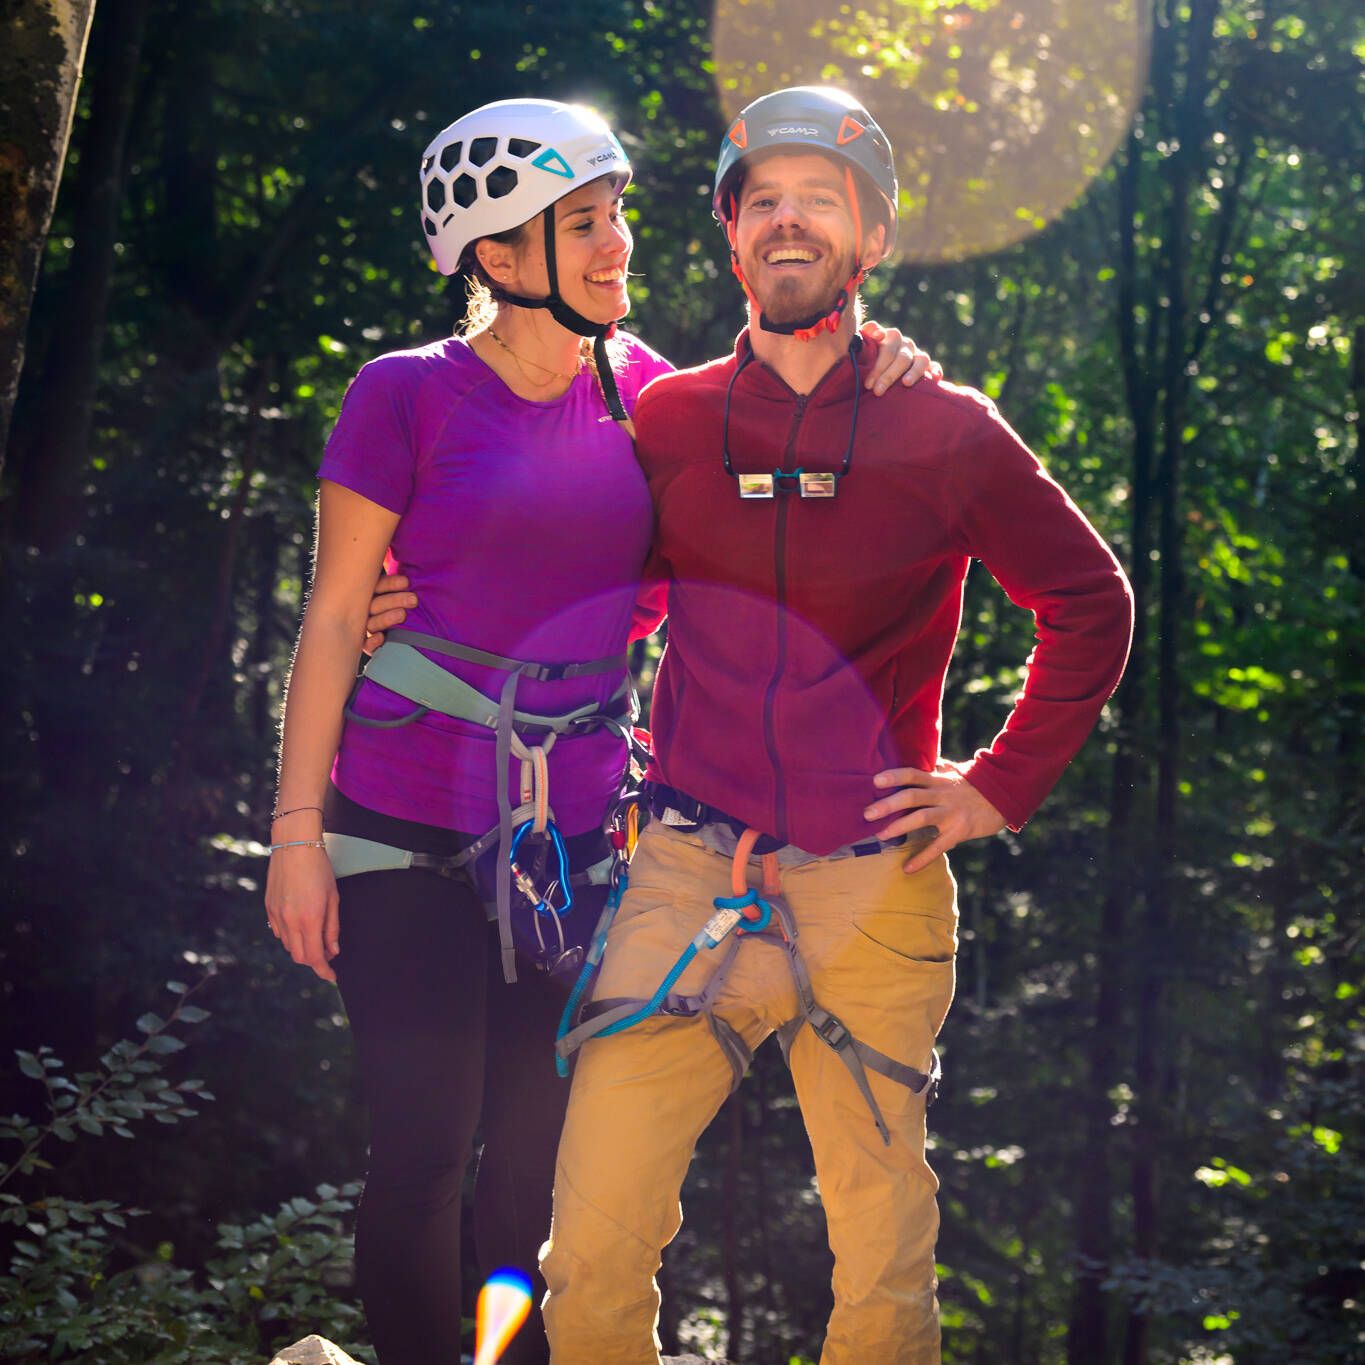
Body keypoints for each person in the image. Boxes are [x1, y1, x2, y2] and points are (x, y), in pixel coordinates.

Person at [264, 96, 930, 1365]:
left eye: (617, 211)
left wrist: (885, 358)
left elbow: (777, 496)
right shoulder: (403, 396)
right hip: (396, 827)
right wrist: (296, 833)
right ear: (498, 258)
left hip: (575, 840)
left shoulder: (651, 398)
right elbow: (334, 613)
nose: (619, 241)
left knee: (532, 1174)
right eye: (582, 222)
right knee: (422, 1153)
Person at [525, 87, 1135, 1364]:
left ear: (872, 240)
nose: (787, 220)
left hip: (878, 881)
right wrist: (398, 598)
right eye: (764, 201)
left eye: (821, 199)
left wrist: (996, 784)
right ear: (732, 237)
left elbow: (1090, 600)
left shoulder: (947, 431)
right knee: (590, 1234)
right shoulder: (673, 418)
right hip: (690, 871)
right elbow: (581, 575)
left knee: (881, 1247)